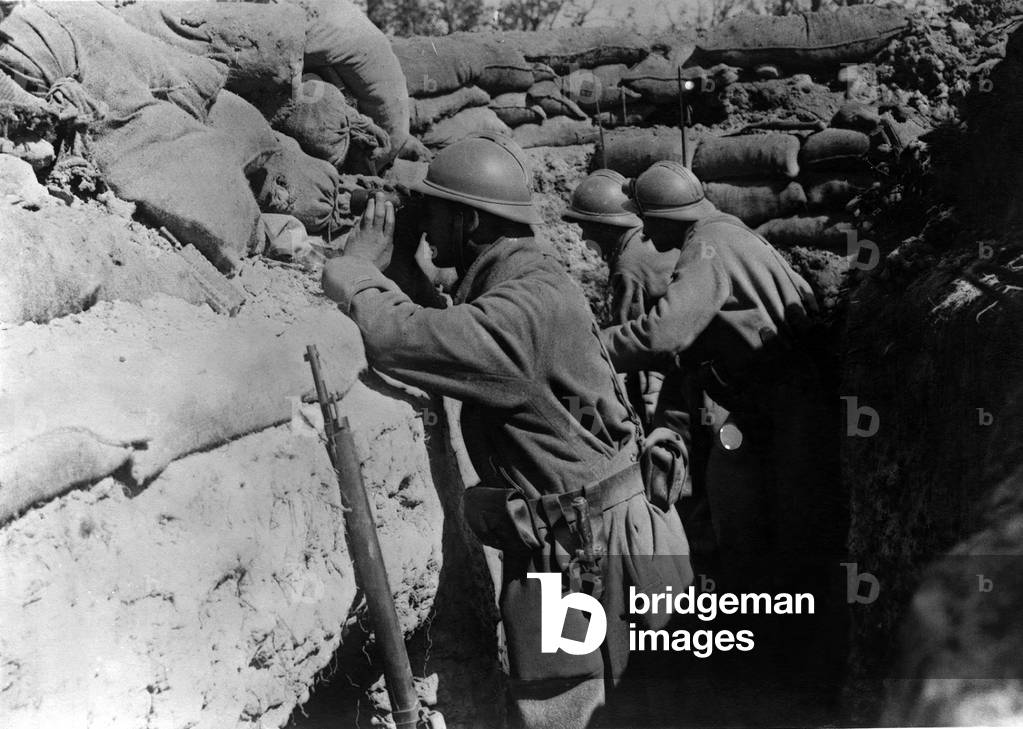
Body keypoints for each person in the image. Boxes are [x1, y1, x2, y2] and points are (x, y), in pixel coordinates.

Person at [321, 133, 692, 729]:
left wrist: (354, 269)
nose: (425, 223)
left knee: (572, 715)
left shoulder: (521, 313)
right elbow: (454, 335)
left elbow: (403, 339)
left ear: (467, 221)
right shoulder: (530, 282)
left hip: (588, 556)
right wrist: (412, 271)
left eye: (436, 212)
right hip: (613, 540)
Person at [601, 160, 846, 716]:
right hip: (783, 401)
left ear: (661, 219)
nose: (646, 237)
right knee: (785, 537)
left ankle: (799, 685)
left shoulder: (703, 247)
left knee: (798, 541)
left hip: (789, 406)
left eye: (648, 224)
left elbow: (665, 331)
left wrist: (595, 346)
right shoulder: (736, 233)